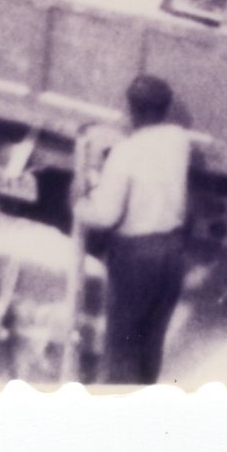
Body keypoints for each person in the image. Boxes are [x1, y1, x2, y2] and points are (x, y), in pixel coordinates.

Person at [74, 73, 195, 385]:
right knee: (151, 343)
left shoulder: (124, 154)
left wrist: (79, 203)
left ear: (130, 111)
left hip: (136, 259)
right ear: (166, 109)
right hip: (173, 252)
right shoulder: (179, 140)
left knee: (123, 347)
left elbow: (105, 216)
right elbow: (150, 149)